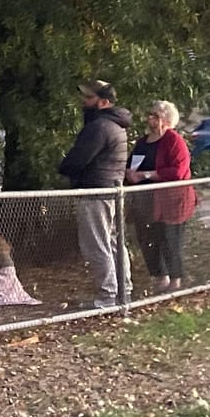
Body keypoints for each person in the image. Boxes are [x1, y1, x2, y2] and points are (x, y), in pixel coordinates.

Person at [58, 80, 132, 308]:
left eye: (89, 98)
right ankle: (123, 291)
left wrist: (64, 167)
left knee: (97, 245)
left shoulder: (99, 127)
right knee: (112, 242)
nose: (84, 102)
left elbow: (78, 159)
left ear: (103, 102)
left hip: (96, 191)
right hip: (110, 189)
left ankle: (109, 296)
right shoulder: (115, 125)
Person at [127, 99, 195, 293]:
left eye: (155, 116)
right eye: (150, 115)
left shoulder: (174, 140)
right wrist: (130, 173)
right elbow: (133, 164)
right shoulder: (142, 142)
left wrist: (147, 175)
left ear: (165, 120)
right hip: (145, 200)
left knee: (169, 239)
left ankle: (175, 282)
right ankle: (160, 277)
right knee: (147, 238)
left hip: (171, 201)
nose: (150, 119)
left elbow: (179, 171)